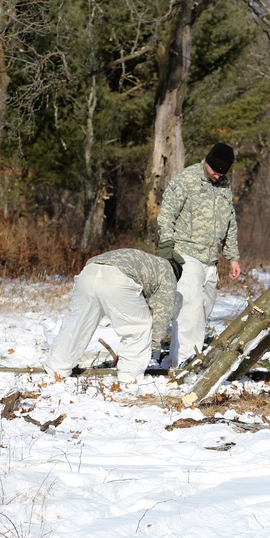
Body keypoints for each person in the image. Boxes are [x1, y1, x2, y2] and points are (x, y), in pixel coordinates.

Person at [156, 142, 242, 366]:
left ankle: (184, 358)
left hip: (211, 260)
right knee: (188, 312)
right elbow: (166, 216)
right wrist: (167, 249)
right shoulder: (186, 179)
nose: (217, 175)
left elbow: (230, 222)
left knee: (203, 311)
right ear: (208, 160)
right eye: (214, 169)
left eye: (222, 172)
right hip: (186, 255)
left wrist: (233, 257)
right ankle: (185, 363)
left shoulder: (224, 185)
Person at [45, 249, 183, 382]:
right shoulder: (168, 273)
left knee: (76, 325)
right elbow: (162, 314)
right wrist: (152, 345)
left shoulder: (148, 261)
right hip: (116, 279)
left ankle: (57, 369)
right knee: (138, 327)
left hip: (89, 272)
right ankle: (130, 378)